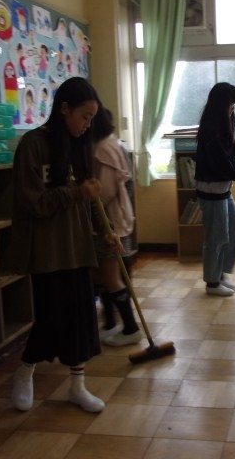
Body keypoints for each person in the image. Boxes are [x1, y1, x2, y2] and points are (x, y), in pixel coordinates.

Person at [10, 77, 117, 414]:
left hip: (78, 246)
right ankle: (25, 370)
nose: (87, 125)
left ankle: (77, 387)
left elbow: (91, 199)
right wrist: (76, 193)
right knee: (51, 318)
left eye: (91, 119)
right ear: (65, 109)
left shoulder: (80, 147)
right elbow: (33, 202)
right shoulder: (33, 145)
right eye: (85, 117)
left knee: (81, 320)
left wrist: (106, 230)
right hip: (47, 250)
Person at [195, 82, 235, 296]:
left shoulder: (220, 128)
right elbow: (222, 166)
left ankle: (220, 276)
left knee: (234, 232)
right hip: (211, 191)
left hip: (221, 189)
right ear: (221, 105)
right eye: (230, 104)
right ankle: (212, 283)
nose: (232, 109)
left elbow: (225, 159)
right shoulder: (211, 131)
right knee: (216, 238)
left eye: (234, 105)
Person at [92, 107, 143, 346]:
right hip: (117, 218)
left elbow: (103, 192)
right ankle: (110, 323)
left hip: (109, 222)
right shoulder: (114, 144)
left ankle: (130, 328)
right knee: (103, 274)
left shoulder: (104, 148)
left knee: (111, 276)